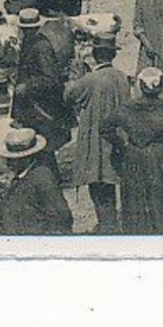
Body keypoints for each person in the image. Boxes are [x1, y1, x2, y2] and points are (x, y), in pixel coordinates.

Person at [102, 67, 163, 233]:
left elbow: (105, 128)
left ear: (140, 86)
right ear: (161, 87)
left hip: (134, 156)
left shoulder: (126, 109)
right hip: (161, 157)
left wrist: (122, 145)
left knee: (136, 200)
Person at [63, 37, 130, 232]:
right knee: (115, 178)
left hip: (96, 138)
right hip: (118, 137)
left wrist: (75, 76)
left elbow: (68, 96)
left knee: (98, 183)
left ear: (94, 55)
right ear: (113, 55)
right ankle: (115, 221)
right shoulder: (122, 77)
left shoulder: (90, 79)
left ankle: (107, 224)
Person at [11, 9, 75, 157]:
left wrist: (27, 86)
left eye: (28, 29)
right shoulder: (30, 43)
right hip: (33, 103)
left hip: (42, 105)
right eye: (25, 29)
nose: (26, 32)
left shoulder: (41, 47)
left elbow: (51, 79)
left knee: (45, 145)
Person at [0, 127, 73, 235]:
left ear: (28, 158)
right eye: (8, 158)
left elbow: (62, 216)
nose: (8, 163)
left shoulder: (42, 177)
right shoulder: (20, 177)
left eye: (14, 159)